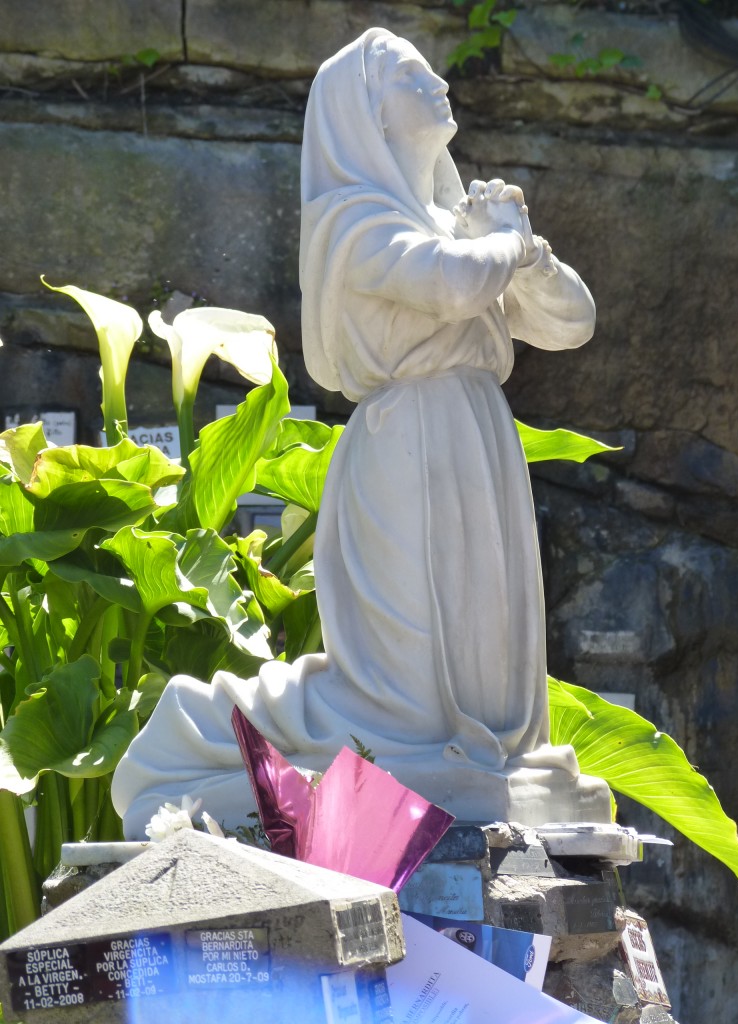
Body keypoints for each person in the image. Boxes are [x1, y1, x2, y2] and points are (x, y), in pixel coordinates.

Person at [112, 28, 601, 838]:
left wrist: (529, 255)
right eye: (414, 75)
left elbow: (572, 322)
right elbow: (448, 284)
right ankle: (203, 729)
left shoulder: (449, 216)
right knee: (402, 692)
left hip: (477, 436)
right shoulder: (353, 220)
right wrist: (507, 242)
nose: (439, 81)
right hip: (406, 444)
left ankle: (483, 754)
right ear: (369, 112)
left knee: (487, 670)